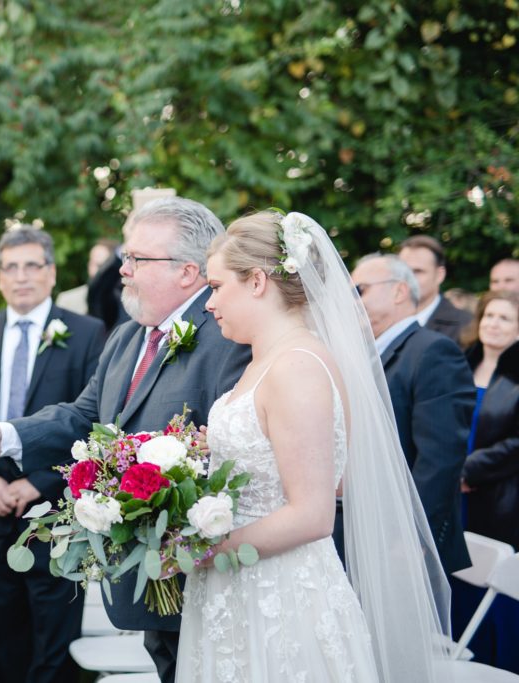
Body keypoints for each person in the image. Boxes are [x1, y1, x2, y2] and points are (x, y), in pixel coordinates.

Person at [174, 210, 452, 682]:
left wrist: (200, 549)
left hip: (279, 598)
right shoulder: (264, 360)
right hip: (236, 585)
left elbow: (314, 513)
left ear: (257, 281)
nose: (209, 303)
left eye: (217, 287)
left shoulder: (297, 366)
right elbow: (325, 475)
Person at [1, 197, 251, 681]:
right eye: (125, 257)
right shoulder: (127, 336)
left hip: (204, 577)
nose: (123, 269)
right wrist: (3, 436)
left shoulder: (228, 338)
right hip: (149, 573)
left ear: (187, 271)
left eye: (137, 258)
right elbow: (84, 417)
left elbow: (231, 455)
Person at [0, 228, 106, 683]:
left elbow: (94, 424)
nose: (21, 277)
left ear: (51, 273)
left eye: (32, 265)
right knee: (2, 636)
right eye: (11, 268)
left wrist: (39, 482)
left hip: (57, 514)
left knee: (55, 638)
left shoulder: (88, 333)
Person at [349, 254, 473, 574]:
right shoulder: (366, 352)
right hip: (364, 523)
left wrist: (413, 534)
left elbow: (440, 457)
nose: (351, 300)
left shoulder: (433, 351)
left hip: (404, 540)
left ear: (399, 291)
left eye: (359, 290)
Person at [457, 290, 519, 673]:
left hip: (498, 496)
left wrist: (471, 469)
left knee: (491, 578)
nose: (493, 324)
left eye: (504, 318)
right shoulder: (461, 363)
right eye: (489, 315)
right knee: (460, 572)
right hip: (453, 492)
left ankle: (497, 665)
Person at [398, 235, 472, 345]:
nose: (409, 278)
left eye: (418, 271)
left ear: (439, 275)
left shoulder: (465, 325)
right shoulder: (382, 321)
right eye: (403, 271)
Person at [56, 238, 118, 315]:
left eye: (101, 266)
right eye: (92, 263)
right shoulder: (67, 301)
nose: (96, 271)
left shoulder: (125, 302)